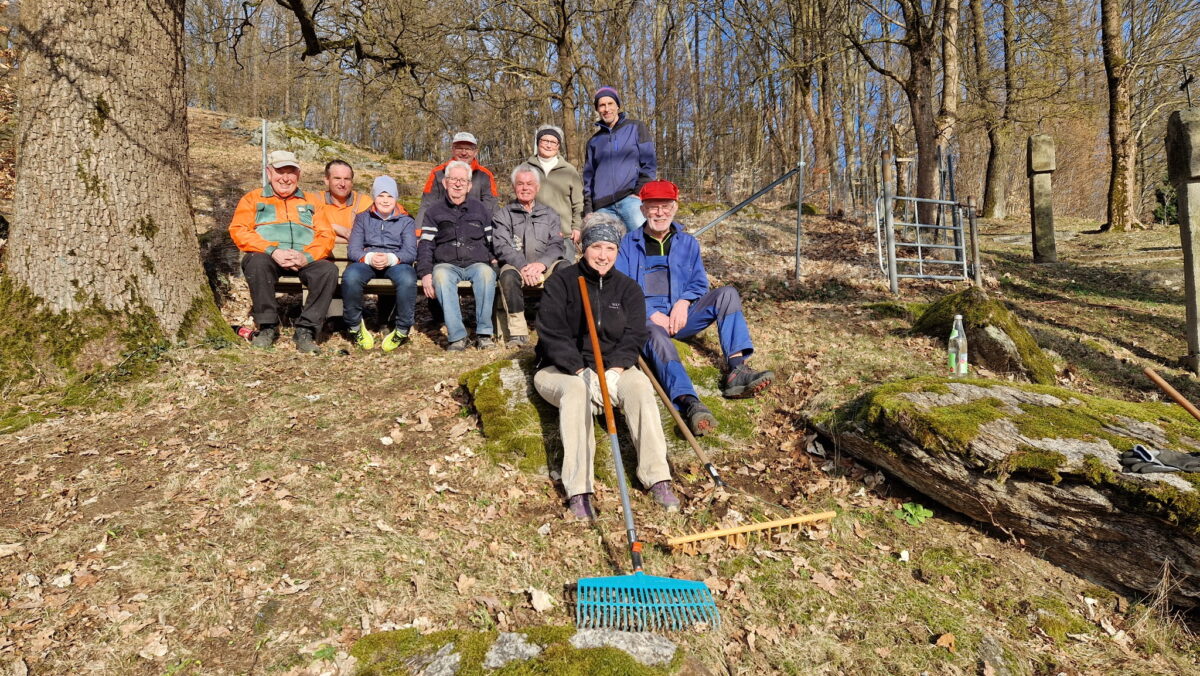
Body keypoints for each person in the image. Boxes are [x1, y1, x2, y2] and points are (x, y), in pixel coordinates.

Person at [535, 217, 680, 520]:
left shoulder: (628, 289)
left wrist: (615, 370)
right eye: (596, 246)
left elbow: (635, 335)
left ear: (618, 251)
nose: (603, 255)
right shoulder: (562, 282)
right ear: (583, 248)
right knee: (575, 393)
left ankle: (657, 477)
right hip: (560, 371)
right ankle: (579, 489)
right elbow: (551, 334)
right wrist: (578, 370)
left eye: (610, 248)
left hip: (612, 369)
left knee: (640, 386)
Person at [616, 180, 774, 437]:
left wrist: (683, 302)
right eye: (653, 207)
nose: (660, 213)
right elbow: (622, 288)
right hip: (646, 320)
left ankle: (737, 370)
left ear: (675, 208)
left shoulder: (688, 243)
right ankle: (689, 402)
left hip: (681, 315)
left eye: (665, 206)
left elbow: (699, 282)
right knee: (656, 335)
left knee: (727, 294)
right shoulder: (628, 244)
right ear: (643, 210)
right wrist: (650, 313)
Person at [229, 150, 336, 353]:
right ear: (269, 173)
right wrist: (272, 250)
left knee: (327, 271)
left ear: (299, 174)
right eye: (280, 171)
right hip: (270, 256)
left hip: (304, 257)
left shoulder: (312, 201)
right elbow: (239, 230)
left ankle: (306, 330)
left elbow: (326, 235)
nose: (286, 178)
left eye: (291, 172)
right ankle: (268, 327)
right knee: (255, 262)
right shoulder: (252, 199)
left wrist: (307, 256)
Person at [417, 160, 498, 351]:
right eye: (453, 179)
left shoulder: (480, 209)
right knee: (442, 277)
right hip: (446, 264)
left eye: (463, 180)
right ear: (445, 183)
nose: (458, 183)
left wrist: (495, 258)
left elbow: (491, 239)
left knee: (487, 274)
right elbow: (426, 245)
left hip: (476, 263)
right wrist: (425, 273)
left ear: (470, 185)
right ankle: (457, 337)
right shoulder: (433, 211)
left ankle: (484, 334)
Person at [493, 164, 568, 348]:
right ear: (513, 187)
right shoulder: (503, 214)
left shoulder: (550, 214)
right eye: (520, 184)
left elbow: (557, 244)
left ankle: (558, 326)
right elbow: (501, 245)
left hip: (544, 265)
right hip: (516, 265)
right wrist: (523, 266)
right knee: (507, 276)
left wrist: (541, 264)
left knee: (565, 269)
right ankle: (518, 333)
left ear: (537, 187)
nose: (525, 188)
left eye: (529, 184)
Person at [342, 176, 418, 352]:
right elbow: (353, 250)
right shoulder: (362, 218)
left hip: (396, 262)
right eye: (381, 195)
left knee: (407, 278)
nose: (385, 200)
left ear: (396, 198)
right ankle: (354, 326)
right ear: (374, 197)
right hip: (367, 261)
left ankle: (402, 329)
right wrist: (369, 257)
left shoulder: (406, 221)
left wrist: (391, 258)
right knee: (351, 276)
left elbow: (410, 252)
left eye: (390, 196)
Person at [582, 86, 656, 233]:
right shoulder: (593, 142)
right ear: (597, 109)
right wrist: (588, 209)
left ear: (618, 106)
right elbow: (588, 179)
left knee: (644, 241)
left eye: (610, 103)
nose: (606, 109)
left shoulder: (636, 127)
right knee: (606, 250)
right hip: (602, 207)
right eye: (602, 105)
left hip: (630, 200)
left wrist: (638, 192)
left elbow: (649, 163)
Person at [415, 131, 499, 232]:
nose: (463, 153)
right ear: (453, 150)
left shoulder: (485, 175)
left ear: (475, 152)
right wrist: (418, 233)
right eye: (459, 148)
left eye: (468, 149)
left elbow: (491, 208)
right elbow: (426, 205)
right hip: (443, 229)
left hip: (476, 229)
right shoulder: (437, 173)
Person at [526, 125, 584, 249]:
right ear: (538, 143)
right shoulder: (525, 169)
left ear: (558, 146)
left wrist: (576, 227)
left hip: (564, 234)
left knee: (565, 268)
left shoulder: (569, 171)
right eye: (545, 141)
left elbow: (578, 203)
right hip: (532, 234)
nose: (548, 145)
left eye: (553, 142)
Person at [314, 159, 370, 244]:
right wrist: (336, 228)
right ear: (326, 180)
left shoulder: (364, 202)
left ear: (352, 182)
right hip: (320, 256)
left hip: (355, 256)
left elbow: (370, 237)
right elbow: (306, 234)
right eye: (337, 178)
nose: (342, 184)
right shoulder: (314, 200)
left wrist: (326, 233)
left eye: (347, 179)